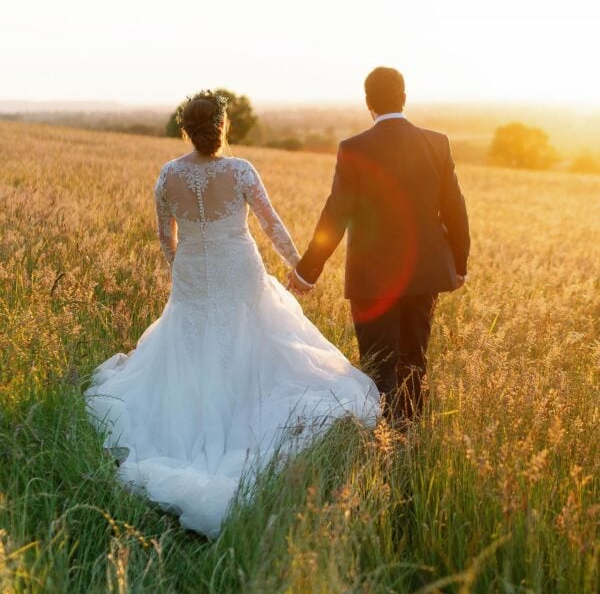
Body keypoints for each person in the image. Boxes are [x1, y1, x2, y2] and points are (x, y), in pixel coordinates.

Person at [85, 90, 379, 539]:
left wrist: (186, 273)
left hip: (193, 275)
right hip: (239, 271)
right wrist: (299, 268)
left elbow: (167, 240)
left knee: (192, 342)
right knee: (255, 340)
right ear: (223, 127)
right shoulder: (240, 170)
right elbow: (271, 224)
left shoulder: (167, 177)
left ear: (186, 129)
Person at [288, 67, 470, 424]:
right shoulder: (437, 142)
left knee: (376, 365)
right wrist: (459, 264)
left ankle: (381, 440)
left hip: (372, 281)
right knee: (414, 360)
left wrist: (308, 271)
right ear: (404, 98)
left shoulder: (354, 148)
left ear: (368, 103)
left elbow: (336, 214)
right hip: (424, 274)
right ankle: (410, 438)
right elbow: (456, 209)